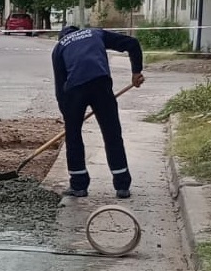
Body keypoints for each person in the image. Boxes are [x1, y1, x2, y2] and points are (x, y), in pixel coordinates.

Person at [52, 25, 145, 199]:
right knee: (112, 134)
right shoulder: (95, 33)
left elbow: (60, 85)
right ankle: (122, 185)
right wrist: (136, 72)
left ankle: (79, 186)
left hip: (74, 90)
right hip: (100, 83)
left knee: (73, 137)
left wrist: (69, 117)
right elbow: (132, 43)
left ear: (62, 36)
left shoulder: (59, 47)